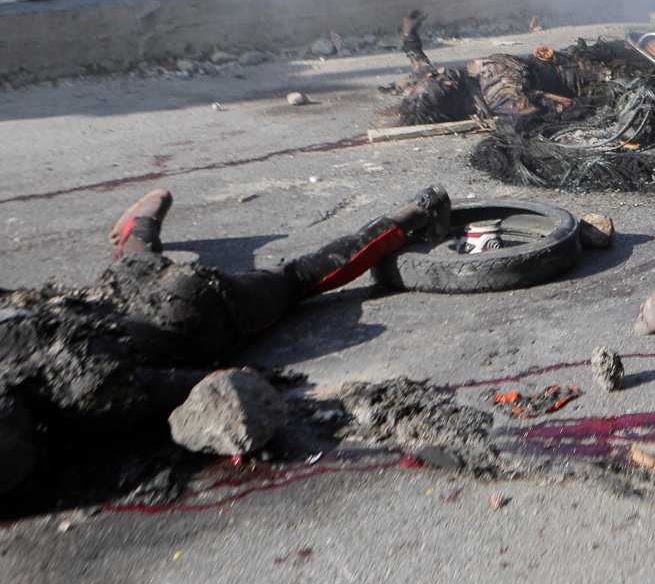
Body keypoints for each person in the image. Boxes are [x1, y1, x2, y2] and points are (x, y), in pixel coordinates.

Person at [0, 187, 457, 502]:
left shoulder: (83, 395)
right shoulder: (24, 361)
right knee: (135, 264)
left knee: (296, 278)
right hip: (114, 305)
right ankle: (139, 223)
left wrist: (246, 391)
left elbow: (196, 388)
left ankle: (409, 216)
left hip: (194, 314)